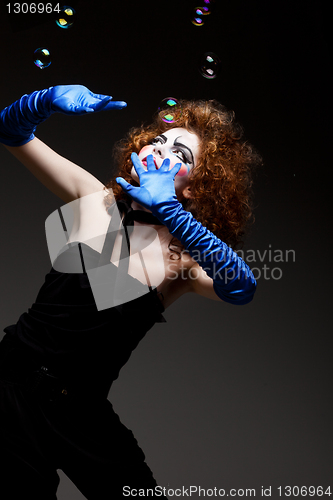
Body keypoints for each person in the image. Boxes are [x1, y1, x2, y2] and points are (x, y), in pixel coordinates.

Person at [0, 85, 261, 499]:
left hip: (82, 410)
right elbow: (10, 131)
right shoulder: (95, 201)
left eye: (181, 154)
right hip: (9, 387)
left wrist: (172, 214)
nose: (160, 148)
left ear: (195, 187)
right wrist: (46, 99)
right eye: (158, 139)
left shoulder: (184, 266)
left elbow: (243, 288)